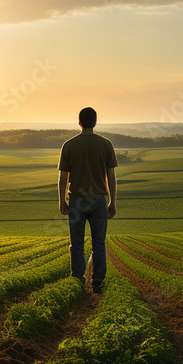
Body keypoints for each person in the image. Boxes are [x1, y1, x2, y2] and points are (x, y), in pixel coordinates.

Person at [58, 107, 117, 294]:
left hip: (76, 201)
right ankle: (97, 283)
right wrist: (113, 201)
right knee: (99, 243)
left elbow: (63, 178)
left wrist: (61, 200)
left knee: (76, 243)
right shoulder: (106, 144)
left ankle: (77, 281)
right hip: (99, 200)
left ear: (79, 122)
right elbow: (111, 177)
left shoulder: (69, 145)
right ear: (96, 121)